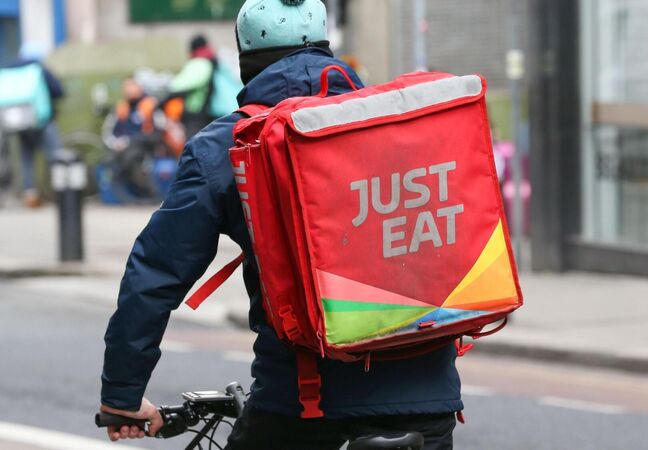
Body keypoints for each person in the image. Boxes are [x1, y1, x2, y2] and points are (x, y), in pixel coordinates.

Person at [99, 1, 462, 449]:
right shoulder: (395, 126)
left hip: (303, 401)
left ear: (246, 62)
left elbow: (156, 273)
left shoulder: (228, 145)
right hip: (428, 397)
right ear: (327, 48)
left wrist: (122, 394)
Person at [0, 42, 64, 207]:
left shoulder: (7, 69)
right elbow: (58, 90)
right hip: (42, 120)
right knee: (55, 154)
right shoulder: (39, 69)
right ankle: (62, 190)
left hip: (18, 122)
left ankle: (30, 193)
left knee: (26, 157)